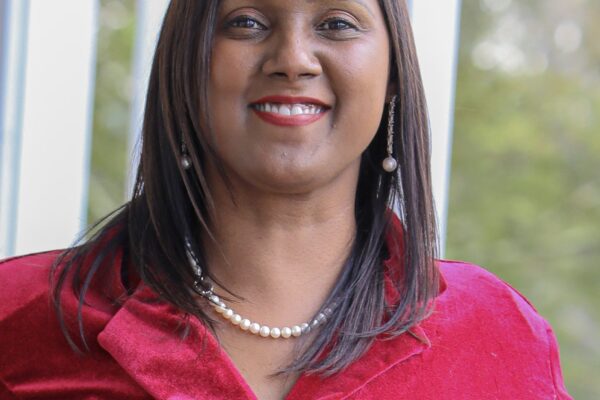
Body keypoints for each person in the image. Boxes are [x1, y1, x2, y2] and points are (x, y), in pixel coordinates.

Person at [0, 1, 571, 399]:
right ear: (185, 60)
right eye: (246, 22)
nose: (293, 59)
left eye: (337, 23)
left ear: (394, 71)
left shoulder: (499, 335)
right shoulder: (18, 317)